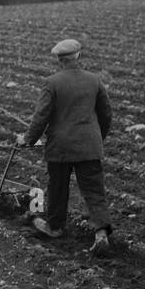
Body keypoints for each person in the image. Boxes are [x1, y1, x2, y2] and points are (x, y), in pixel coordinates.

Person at [16, 38, 113, 256]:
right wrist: (97, 138)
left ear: (60, 60)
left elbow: (41, 116)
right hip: (89, 146)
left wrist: (28, 139)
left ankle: (55, 227)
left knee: (58, 188)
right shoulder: (94, 80)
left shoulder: (52, 83)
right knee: (94, 191)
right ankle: (101, 233)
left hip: (60, 147)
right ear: (78, 56)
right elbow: (106, 114)